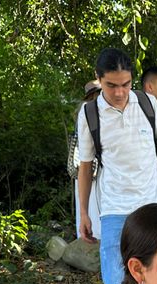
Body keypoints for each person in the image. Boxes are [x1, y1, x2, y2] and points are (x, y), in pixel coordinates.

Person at [76, 47, 157, 284]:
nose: (120, 92)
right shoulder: (89, 114)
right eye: (111, 85)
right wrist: (84, 213)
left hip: (152, 208)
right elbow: (84, 167)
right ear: (99, 79)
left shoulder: (148, 104)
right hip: (112, 211)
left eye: (125, 84)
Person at [67, 81, 103, 240]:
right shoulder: (89, 111)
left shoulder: (84, 110)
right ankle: (95, 233)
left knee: (86, 199)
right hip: (91, 164)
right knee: (94, 200)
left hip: (85, 164)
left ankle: (86, 233)